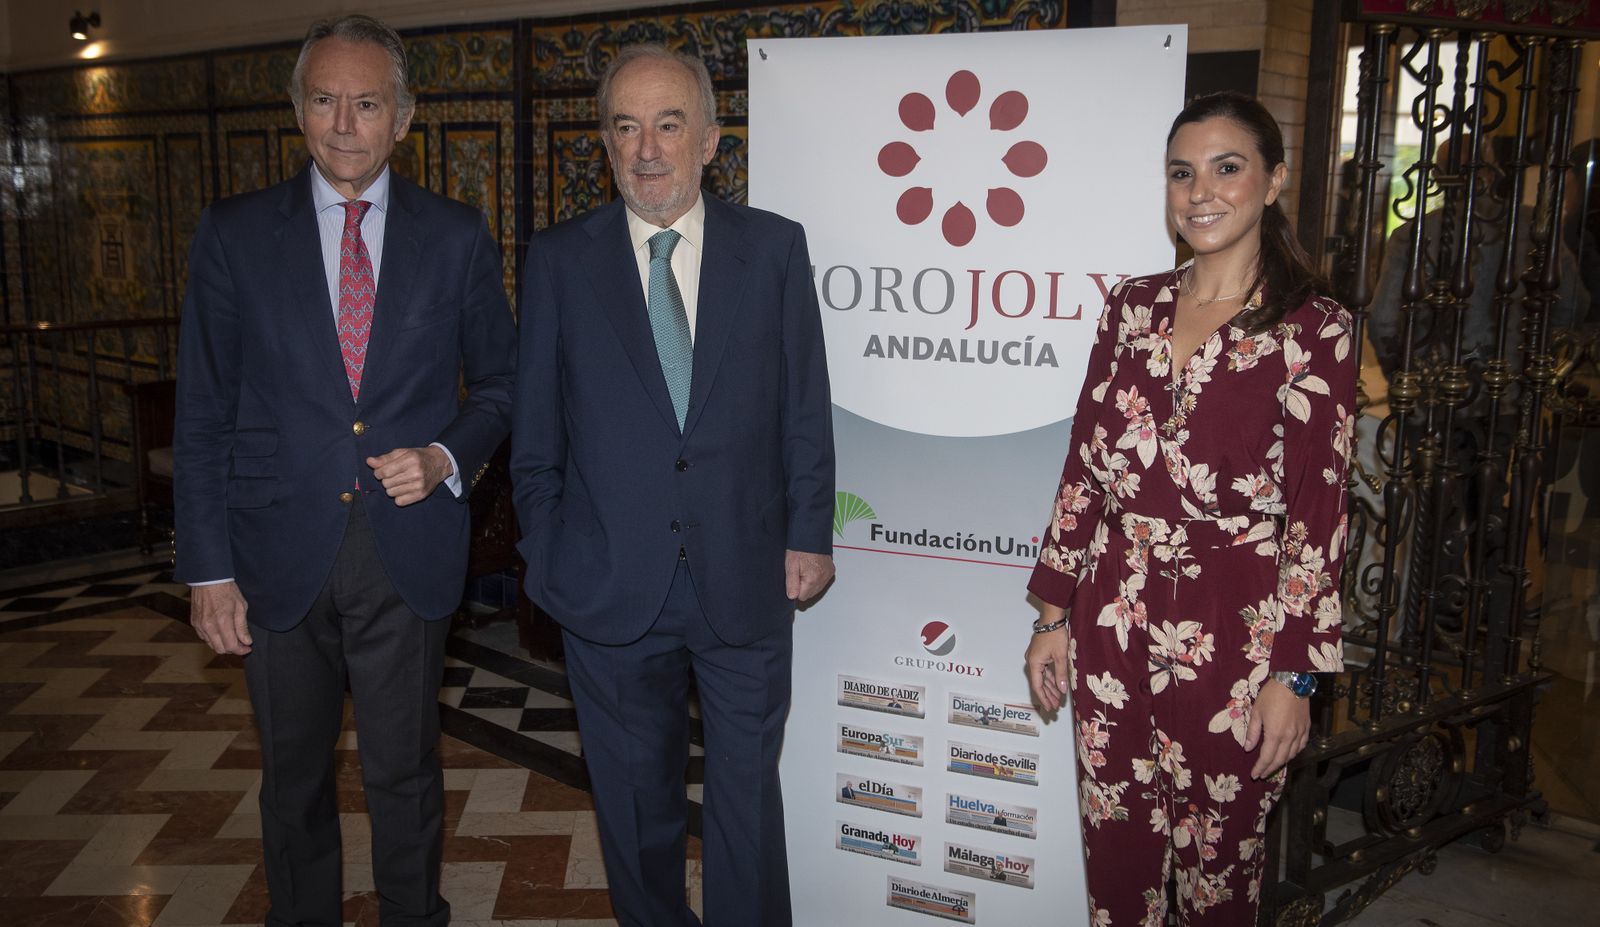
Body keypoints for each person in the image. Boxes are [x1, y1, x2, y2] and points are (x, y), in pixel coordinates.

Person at [172, 14, 516, 926]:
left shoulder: (455, 236)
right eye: (324, 100)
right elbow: (202, 410)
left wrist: (446, 455)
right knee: (292, 782)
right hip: (274, 551)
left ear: (403, 117)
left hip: (405, 549)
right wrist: (206, 568)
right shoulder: (235, 234)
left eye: (367, 103)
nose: (344, 124)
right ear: (297, 109)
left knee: (405, 774)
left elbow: (504, 385)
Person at [510, 43, 834, 927]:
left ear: (709, 139)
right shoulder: (558, 261)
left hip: (748, 574)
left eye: (668, 124)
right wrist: (549, 558)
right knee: (633, 806)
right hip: (607, 586)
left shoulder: (771, 250)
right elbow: (534, 437)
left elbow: (804, 406)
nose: (647, 149)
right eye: (626, 127)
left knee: (744, 811)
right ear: (604, 143)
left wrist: (810, 533)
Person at [1023, 92, 1356, 925]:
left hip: (1237, 630)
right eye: (1182, 172)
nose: (1200, 191)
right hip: (1111, 617)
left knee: (1218, 875)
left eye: (1226, 167)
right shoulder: (1131, 306)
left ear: (1274, 181)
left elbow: (1320, 512)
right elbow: (1086, 467)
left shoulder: (1317, 328)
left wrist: (1295, 672)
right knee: (1118, 857)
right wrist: (1052, 612)